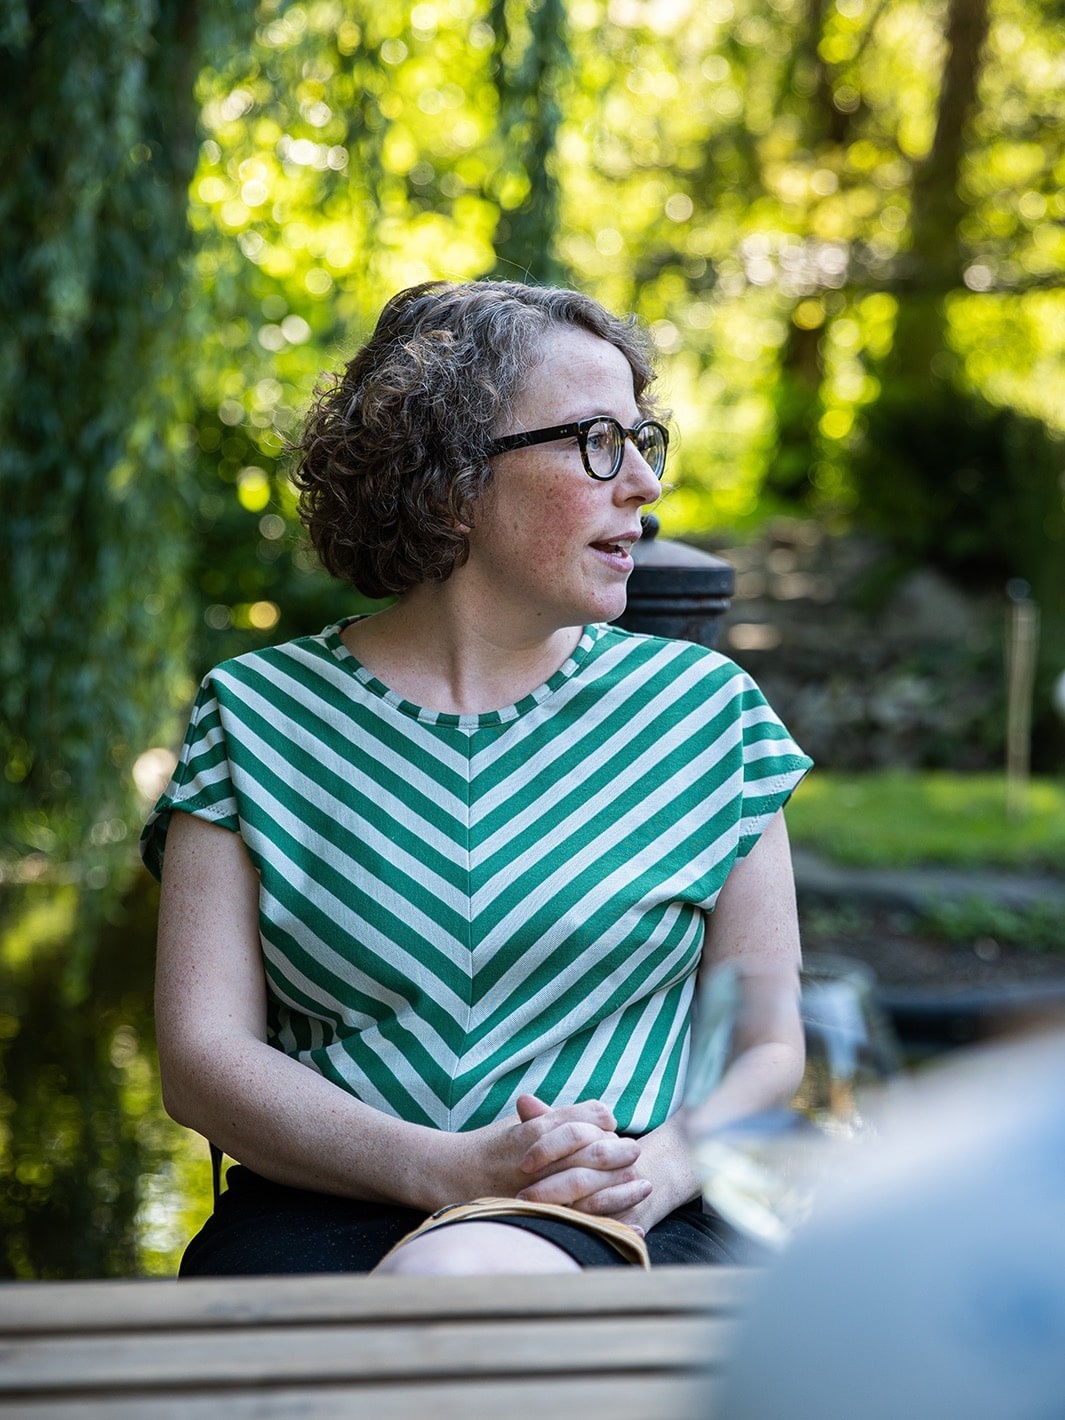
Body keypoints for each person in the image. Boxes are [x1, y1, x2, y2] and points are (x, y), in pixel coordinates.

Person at [142, 279, 812, 1277]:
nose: (642, 483)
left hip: (637, 1203)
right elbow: (202, 1060)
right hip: (328, 1203)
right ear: (450, 481)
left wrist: (659, 1169)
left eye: (643, 440)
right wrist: (447, 1170)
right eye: (596, 442)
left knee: (461, 1283)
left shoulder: (706, 712)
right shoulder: (256, 714)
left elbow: (766, 1046)